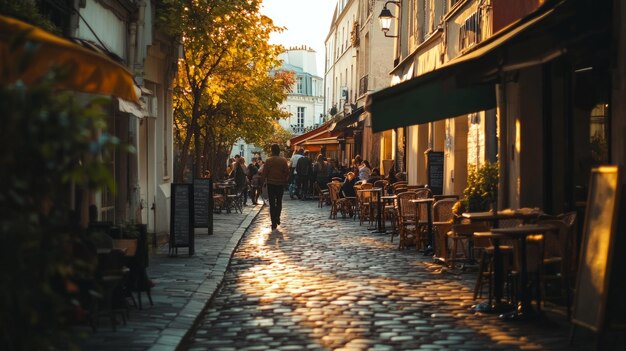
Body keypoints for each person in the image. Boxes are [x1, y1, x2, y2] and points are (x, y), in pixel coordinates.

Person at [261, 144, 290, 230]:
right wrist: (285, 180)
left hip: (271, 184)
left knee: (272, 203)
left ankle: (273, 221)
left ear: (272, 151)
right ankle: (277, 216)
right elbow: (287, 172)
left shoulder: (268, 161)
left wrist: (261, 183)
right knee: (279, 201)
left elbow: (264, 173)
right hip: (280, 184)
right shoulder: (283, 161)